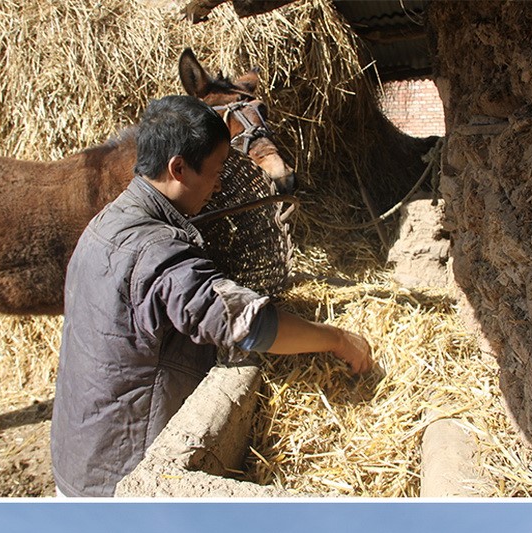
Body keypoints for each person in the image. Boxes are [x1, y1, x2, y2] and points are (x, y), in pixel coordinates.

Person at [51, 94, 373, 497]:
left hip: (79, 452)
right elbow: (251, 325)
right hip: (121, 475)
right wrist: (338, 339)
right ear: (178, 168)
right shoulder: (156, 251)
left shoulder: (108, 221)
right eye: (217, 170)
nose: (220, 184)